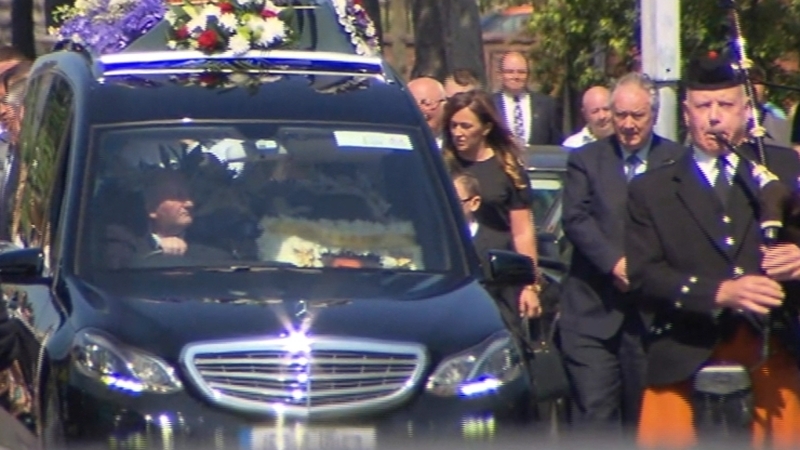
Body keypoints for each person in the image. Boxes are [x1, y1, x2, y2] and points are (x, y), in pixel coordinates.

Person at [628, 50, 800, 449]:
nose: (714, 116)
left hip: (772, 355)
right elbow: (642, 275)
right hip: (683, 358)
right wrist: (720, 293)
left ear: (746, 110)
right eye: (703, 106)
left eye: (726, 105)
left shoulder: (784, 171)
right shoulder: (652, 189)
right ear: (686, 113)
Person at [559, 72, 685, 437]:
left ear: (653, 115)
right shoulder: (587, 159)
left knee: (644, 419)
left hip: (650, 317)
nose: (628, 125)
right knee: (595, 416)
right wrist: (615, 262)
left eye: (638, 116)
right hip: (593, 313)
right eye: (621, 116)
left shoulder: (676, 160)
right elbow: (576, 218)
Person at [442, 90, 541, 319]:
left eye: (466, 126)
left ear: (486, 128)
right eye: (454, 126)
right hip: (453, 273)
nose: (458, 133)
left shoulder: (507, 170)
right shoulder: (442, 166)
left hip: (499, 275)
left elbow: (522, 231)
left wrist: (530, 285)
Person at [492, 51, 563, 147]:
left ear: (528, 75)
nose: (516, 76)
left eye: (521, 72)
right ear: (500, 74)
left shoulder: (547, 105)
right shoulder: (490, 103)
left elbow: (556, 144)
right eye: (509, 72)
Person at [407, 76, 446, 147]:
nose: (419, 109)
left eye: (427, 103)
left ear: (444, 105)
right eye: (412, 104)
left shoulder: (455, 143)